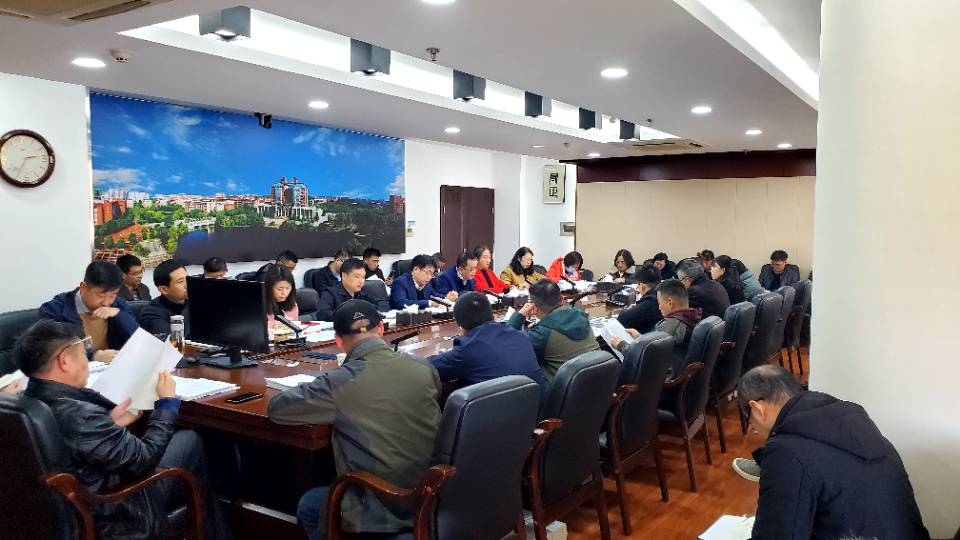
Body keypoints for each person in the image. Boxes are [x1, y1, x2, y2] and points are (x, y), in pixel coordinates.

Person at [17, 320, 229, 540]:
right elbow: (145, 459)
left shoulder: (25, 402)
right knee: (190, 440)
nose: (86, 362)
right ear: (64, 361)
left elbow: (71, 443)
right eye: (83, 354)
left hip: (69, 508)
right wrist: (166, 405)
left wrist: (109, 421)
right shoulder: (81, 416)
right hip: (116, 511)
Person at [268, 300, 441, 540]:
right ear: (381, 329)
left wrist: (313, 386)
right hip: (432, 493)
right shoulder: (423, 366)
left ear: (338, 341)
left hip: (380, 507)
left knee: (310, 505)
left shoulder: (339, 381)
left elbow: (277, 409)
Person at [737, 365, 929, 540]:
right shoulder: (857, 426)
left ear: (757, 408)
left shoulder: (787, 451)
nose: (753, 429)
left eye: (749, 421)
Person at [428, 292, 549, 406]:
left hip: (501, 418)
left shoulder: (468, 348)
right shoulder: (522, 336)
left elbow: (427, 367)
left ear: (461, 328)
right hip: (539, 412)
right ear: (493, 316)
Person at [39, 261, 138, 362]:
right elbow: (53, 348)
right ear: (83, 287)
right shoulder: (55, 309)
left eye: (113, 295)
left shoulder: (119, 305)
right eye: (101, 295)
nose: (107, 302)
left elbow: (138, 340)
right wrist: (93, 355)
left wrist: (119, 315)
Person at [507, 279, 598, 383]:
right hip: (597, 382)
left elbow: (507, 346)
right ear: (562, 299)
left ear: (534, 307)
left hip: (563, 390)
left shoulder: (541, 334)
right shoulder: (581, 314)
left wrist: (519, 316)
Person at [612, 279, 702, 360]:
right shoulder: (694, 316)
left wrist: (621, 345)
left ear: (670, 303)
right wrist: (640, 337)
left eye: (659, 303)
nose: (659, 307)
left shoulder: (670, 325)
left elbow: (643, 356)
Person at [317, 258, 388, 321]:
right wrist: (352, 315)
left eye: (363, 277)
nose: (361, 281)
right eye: (357, 277)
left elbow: (383, 305)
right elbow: (323, 315)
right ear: (344, 276)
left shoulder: (362, 293)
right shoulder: (330, 293)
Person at [138, 259, 189, 337]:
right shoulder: (151, 314)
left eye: (187, 279)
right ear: (164, 289)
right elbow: (174, 340)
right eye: (181, 281)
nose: (187, 284)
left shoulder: (196, 301)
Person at [389, 254, 455, 310]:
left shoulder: (427, 284)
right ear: (416, 269)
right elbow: (401, 303)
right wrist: (428, 303)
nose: (430, 277)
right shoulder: (400, 282)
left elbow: (435, 295)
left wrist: (446, 297)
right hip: (401, 319)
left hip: (422, 318)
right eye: (427, 273)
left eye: (432, 274)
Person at [616, 264, 663, 333]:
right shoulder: (661, 293)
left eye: (638, 284)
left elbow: (621, 320)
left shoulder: (651, 301)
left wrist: (628, 310)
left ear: (642, 286)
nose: (637, 287)